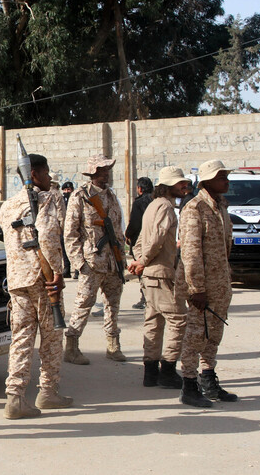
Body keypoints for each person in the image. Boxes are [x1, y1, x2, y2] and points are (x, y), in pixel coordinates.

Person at [0, 154, 71, 419]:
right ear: (35, 174)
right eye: (47, 173)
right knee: (51, 337)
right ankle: (48, 392)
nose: (50, 178)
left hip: (17, 280)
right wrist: (57, 273)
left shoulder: (8, 206)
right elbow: (49, 236)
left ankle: (14, 397)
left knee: (21, 338)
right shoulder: (48, 199)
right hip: (42, 278)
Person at [178, 159, 238, 408]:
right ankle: (189, 385)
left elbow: (225, 247)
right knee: (195, 336)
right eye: (221, 177)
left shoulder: (220, 206)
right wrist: (196, 289)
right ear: (207, 181)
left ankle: (208, 379)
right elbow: (191, 253)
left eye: (226, 176)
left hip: (220, 284)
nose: (226, 181)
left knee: (214, 335)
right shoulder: (195, 208)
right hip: (202, 287)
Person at [127, 167, 190, 389]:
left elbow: (140, 240)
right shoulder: (165, 207)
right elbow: (157, 238)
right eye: (180, 184)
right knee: (179, 319)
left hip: (150, 274)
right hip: (160, 272)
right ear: (168, 185)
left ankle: (151, 373)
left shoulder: (153, 205)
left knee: (154, 322)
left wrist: (139, 260)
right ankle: (168, 371)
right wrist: (143, 261)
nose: (184, 187)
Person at [63, 154, 126, 364]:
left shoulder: (111, 196)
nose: (106, 173)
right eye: (102, 170)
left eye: (107, 169)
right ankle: (72, 347)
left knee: (113, 304)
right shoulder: (81, 196)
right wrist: (79, 263)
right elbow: (70, 233)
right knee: (84, 304)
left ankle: (113, 345)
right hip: (92, 262)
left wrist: (121, 258)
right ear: (93, 172)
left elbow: (117, 230)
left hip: (113, 261)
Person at [126, 176, 154, 310]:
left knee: (141, 269)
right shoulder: (155, 201)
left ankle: (145, 297)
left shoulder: (139, 203)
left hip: (140, 241)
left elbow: (135, 223)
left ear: (140, 189)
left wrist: (128, 234)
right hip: (153, 239)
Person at [60, 181, 75, 279]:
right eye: (65, 190)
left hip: (74, 228)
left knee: (75, 248)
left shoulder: (76, 199)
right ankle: (67, 269)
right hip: (64, 228)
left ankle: (77, 270)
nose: (66, 192)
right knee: (64, 249)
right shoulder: (61, 200)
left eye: (68, 190)